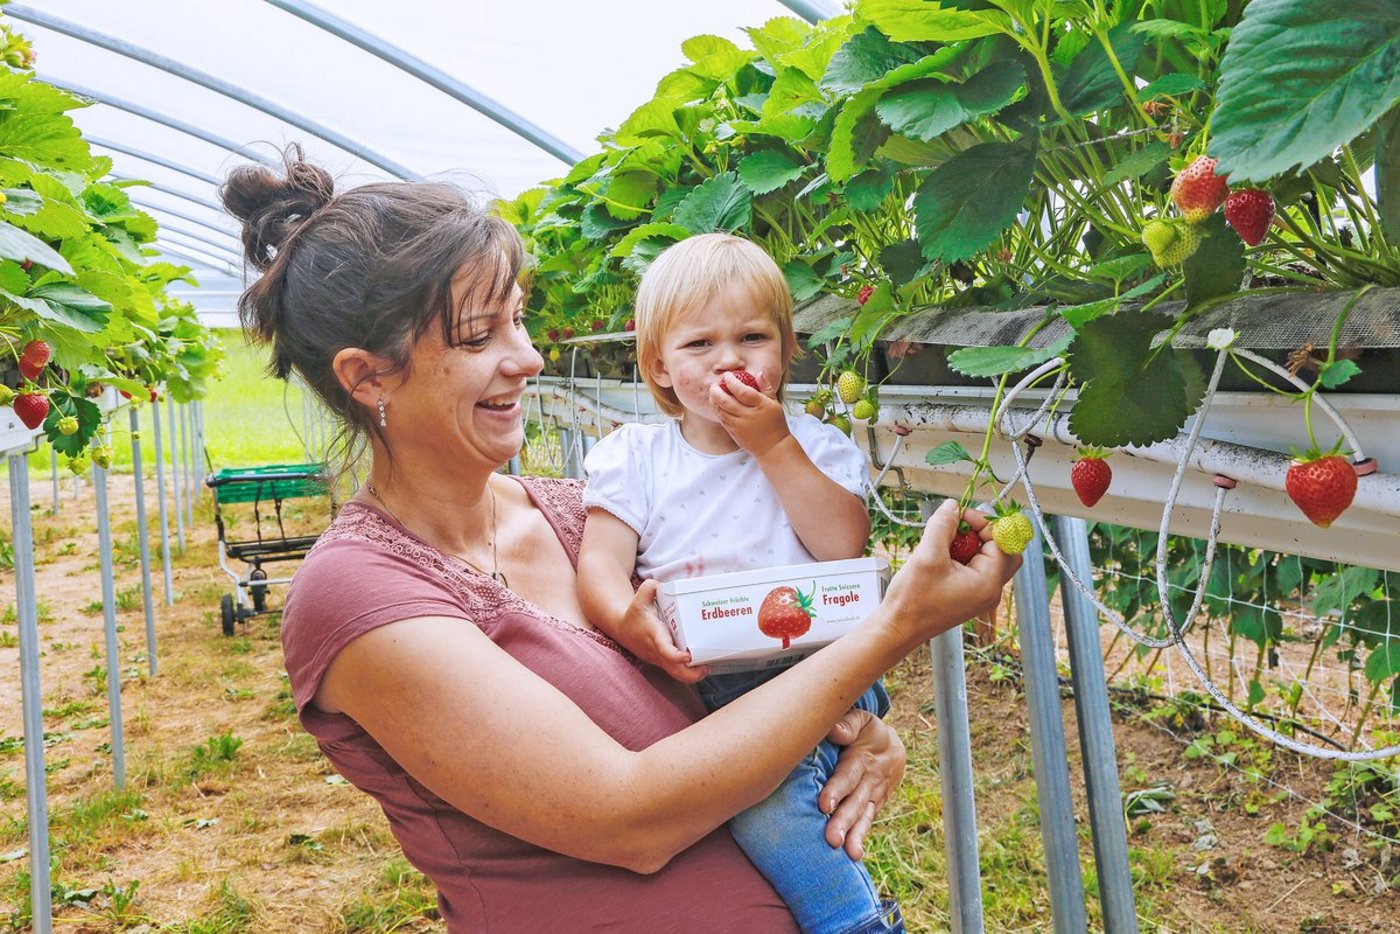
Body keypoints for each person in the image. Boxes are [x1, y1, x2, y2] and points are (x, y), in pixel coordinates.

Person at [220, 148, 1021, 934]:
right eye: (478, 337)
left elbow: (744, 683)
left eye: (521, 320)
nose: (529, 358)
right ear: (366, 377)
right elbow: (629, 819)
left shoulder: (580, 513)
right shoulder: (362, 595)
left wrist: (855, 729)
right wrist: (894, 628)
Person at [577, 233, 892, 934]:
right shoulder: (637, 456)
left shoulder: (815, 445)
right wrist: (626, 621)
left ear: (784, 348)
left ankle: (855, 922)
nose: (729, 360)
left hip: (817, 662)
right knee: (753, 800)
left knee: (767, 805)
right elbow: (599, 564)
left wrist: (774, 446)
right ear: (658, 364)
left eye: (753, 337)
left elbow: (842, 545)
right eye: (699, 346)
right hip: (704, 675)